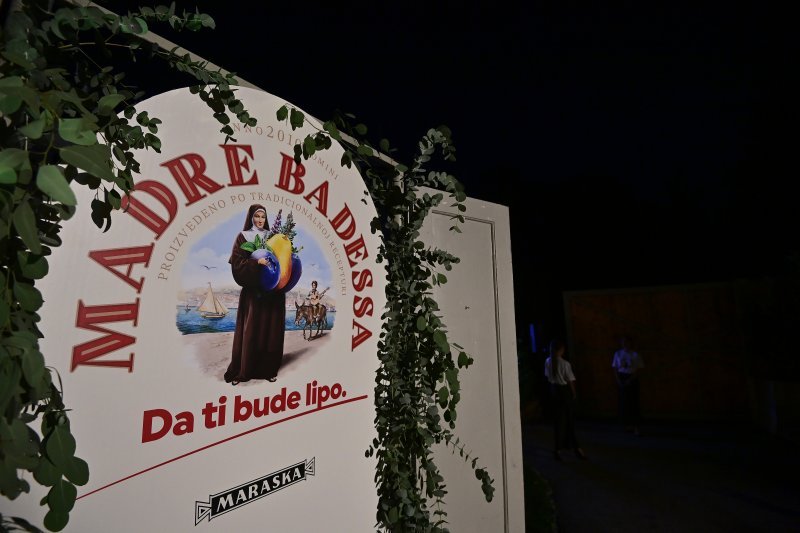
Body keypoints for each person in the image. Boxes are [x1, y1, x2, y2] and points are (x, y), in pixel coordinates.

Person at [224, 204, 286, 385]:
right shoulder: (243, 237)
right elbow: (237, 264)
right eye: (257, 216)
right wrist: (256, 263)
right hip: (253, 292)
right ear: (251, 217)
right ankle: (244, 370)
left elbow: (282, 259)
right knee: (251, 332)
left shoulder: (272, 237)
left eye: (263, 217)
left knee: (269, 333)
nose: (260, 220)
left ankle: (268, 370)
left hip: (271, 293)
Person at [544, 340, 587, 461]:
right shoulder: (565, 364)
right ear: (561, 349)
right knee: (569, 419)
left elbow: (547, 376)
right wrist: (574, 393)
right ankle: (576, 448)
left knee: (558, 421)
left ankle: (559, 449)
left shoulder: (548, 361)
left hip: (554, 391)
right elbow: (570, 380)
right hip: (564, 392)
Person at [612, 336, 644, 434]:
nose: (625, 344)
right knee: (624, 402)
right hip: (622, 377)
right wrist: (618, 380)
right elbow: (615, 368)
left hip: (632, 378)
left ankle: (636, 426)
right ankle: (626, 425)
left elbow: (638, 369)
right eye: (624, 342)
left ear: (631, 343)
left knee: (634, 402)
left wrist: (630, 379)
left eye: (627, 342)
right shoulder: (618, 354)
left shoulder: (635, 355)